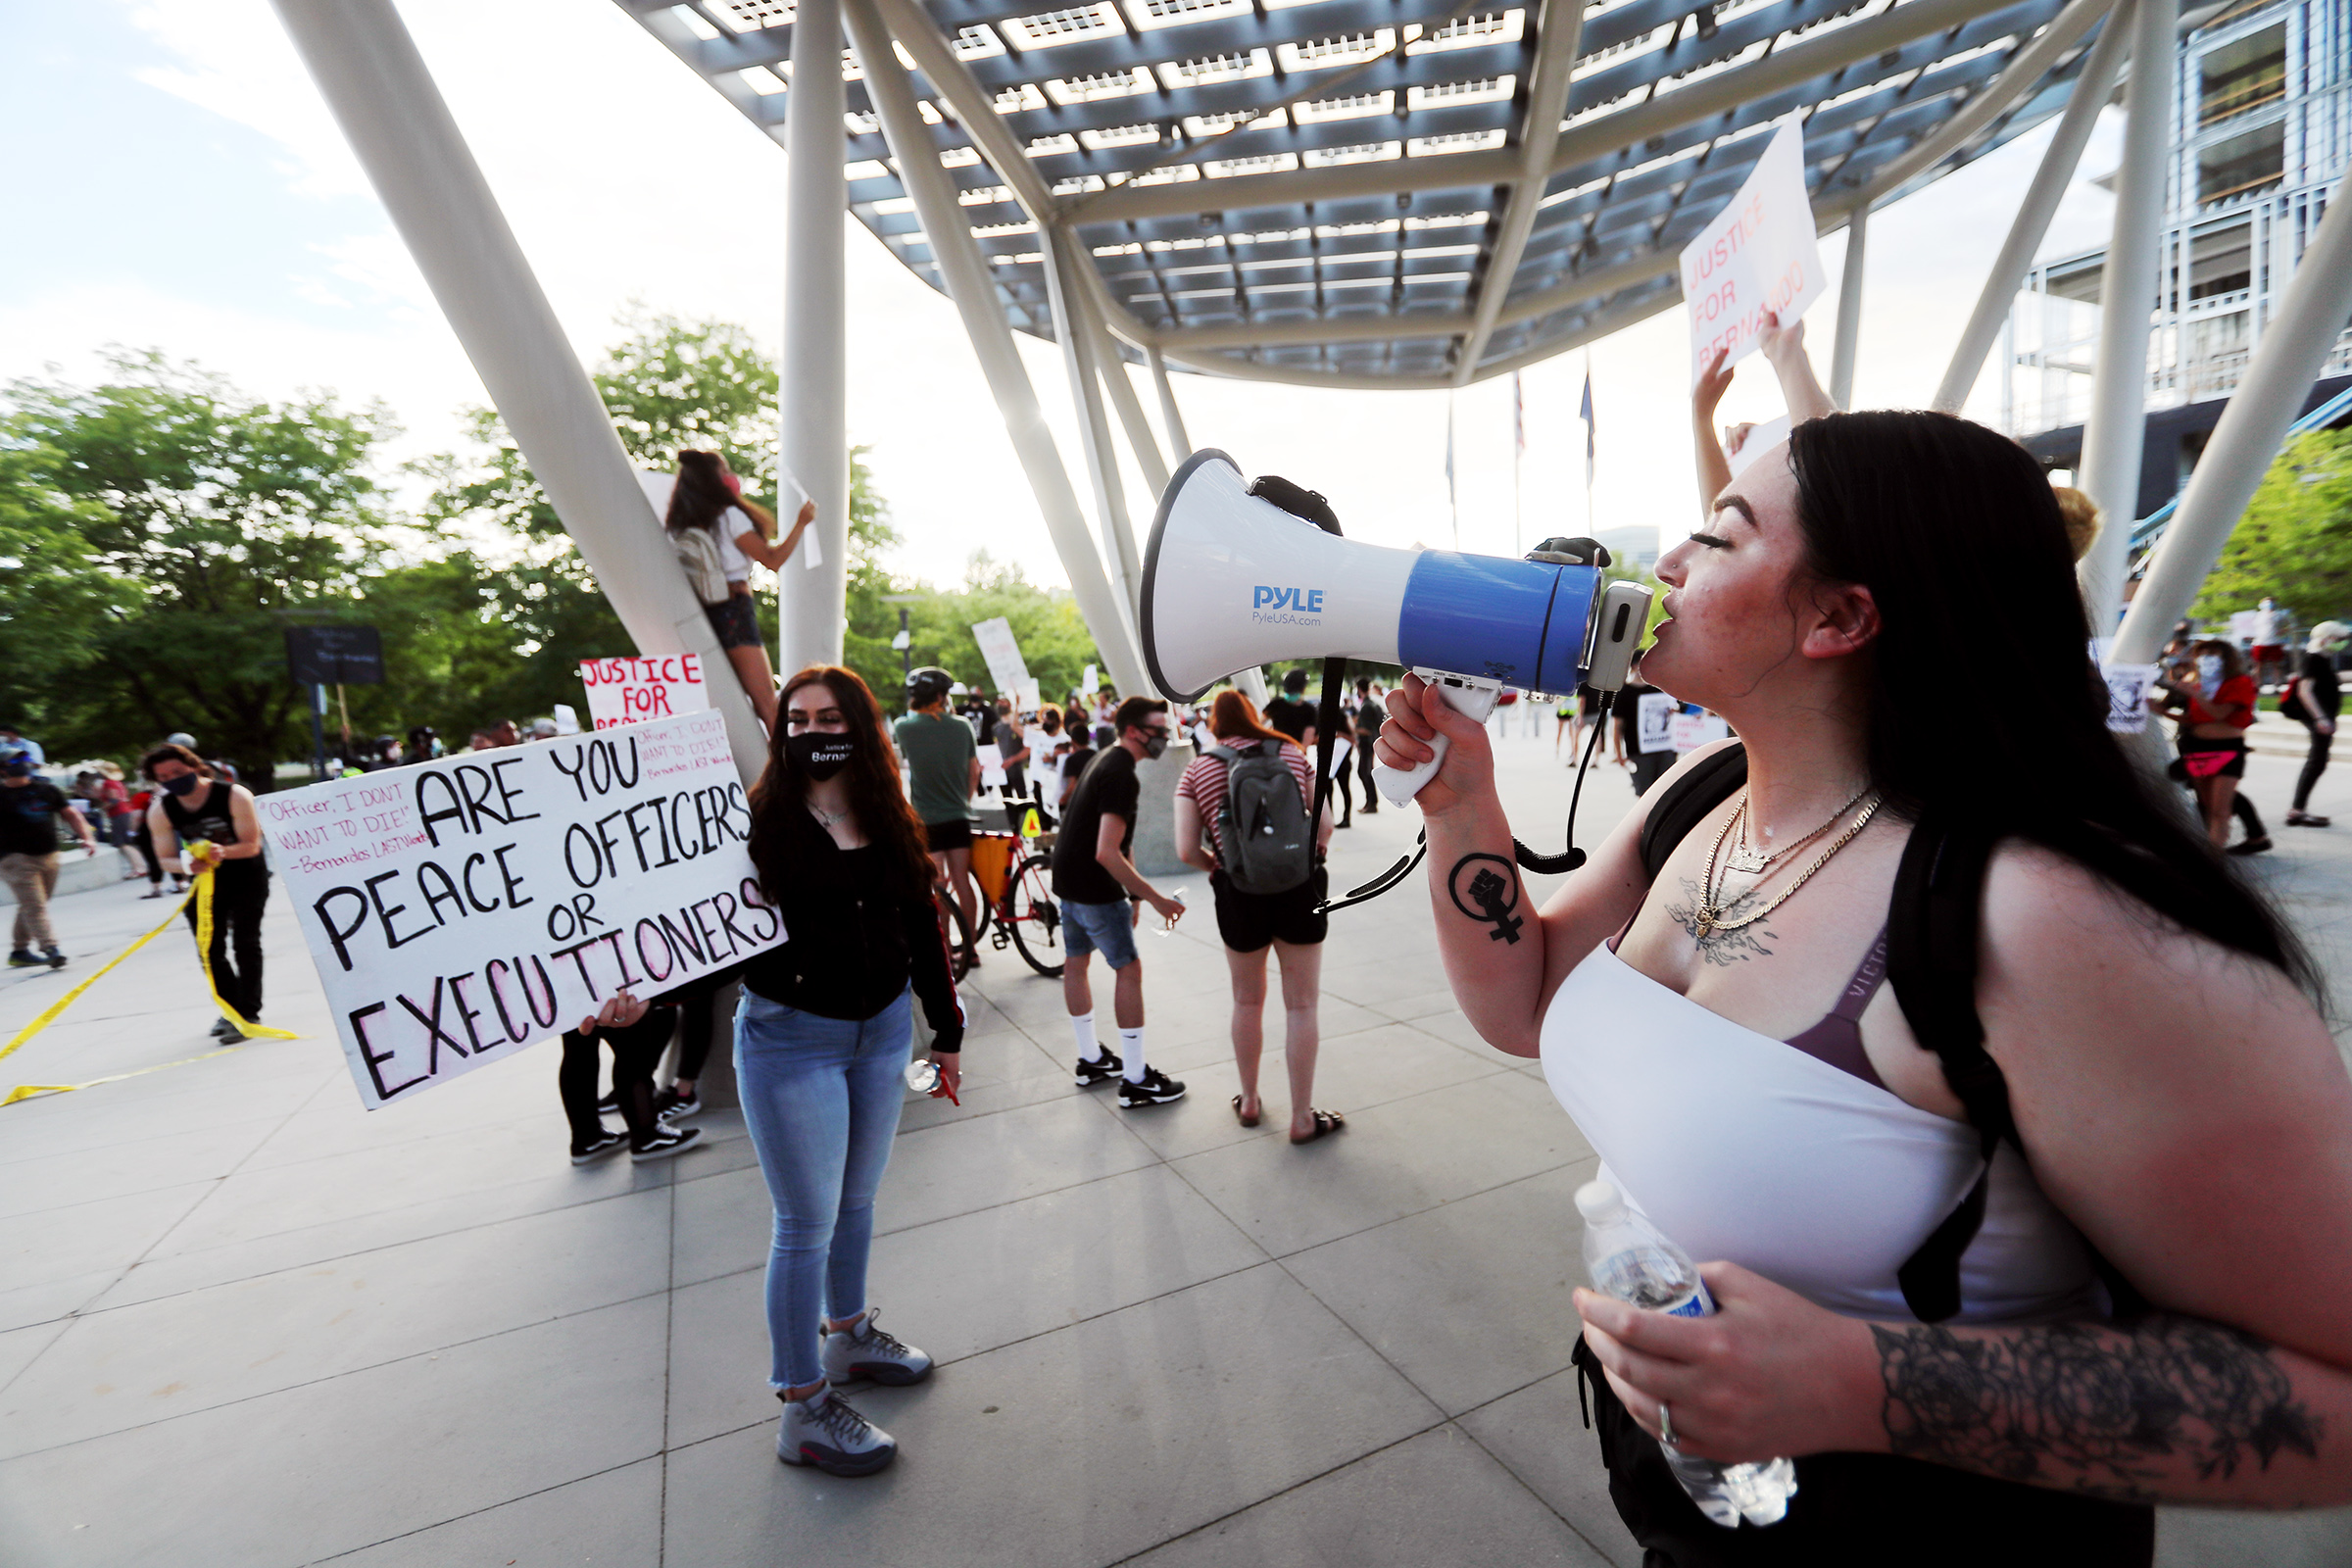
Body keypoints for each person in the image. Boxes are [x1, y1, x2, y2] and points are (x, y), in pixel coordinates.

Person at [1375, 410, 2352, 1561]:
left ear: (1842, 616)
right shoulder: (1706, 789)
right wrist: (1458, 804)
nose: (1669, 565)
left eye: (1721, 536)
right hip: (1693, 1491)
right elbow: (1526, 1002)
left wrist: (1861, 1381)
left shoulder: (2047, 919)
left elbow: (2330, 1394)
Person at [739, 665, 963, 1477]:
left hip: (880, 1038)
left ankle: (849, 1339)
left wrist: (947, 1028)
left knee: (858, 1202)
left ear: (860, 726)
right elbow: (696, 934)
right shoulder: (758, 820)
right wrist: (635, 998)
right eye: (796, 719)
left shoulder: (885, 811)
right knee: (805, 1224)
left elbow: (920, 923)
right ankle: (802, 1408)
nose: (810, 730)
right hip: (789, 1040)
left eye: (828, 716)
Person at [1174, 690, 1340, 1142]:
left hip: (1239, 891)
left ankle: (1248, 1101)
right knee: (1302, 1004)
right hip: (1299, 887)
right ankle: (1303, 1117)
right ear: (1254, 716)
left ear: (1214, 723)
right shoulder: (1291, 751)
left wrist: (1220, 866)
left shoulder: (1199, 768)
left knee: (1247, 1001)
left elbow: (1186, 848)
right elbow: (1324, 824)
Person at [1050, 697, 1187, 1107]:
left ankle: (1091, 1059)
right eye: (1158, 729)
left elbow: (1115, 844)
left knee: (1076, 963)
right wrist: (1158, 899)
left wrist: (1134, 893)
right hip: (1094, 888)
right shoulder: (1122, 774)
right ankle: (1135, 1078)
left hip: (1068, 883)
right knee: (1128, 969)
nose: (1164, 736)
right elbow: (1108, 852)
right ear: (1132, 731)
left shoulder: (1104, 758)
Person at [662, 449, 814, 732]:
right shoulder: (730, 516)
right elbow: (773, 560)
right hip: (735, 609)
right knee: (767, 704)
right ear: (714, 479)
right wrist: (801, 523)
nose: (731, 477)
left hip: (701, 611)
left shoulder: (679, 524)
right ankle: (786, 770)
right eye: (725, 471)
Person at [142, 743, 270, 1040]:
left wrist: (220, 852)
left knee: (246, 943)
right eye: (163, 776)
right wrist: (188, 863)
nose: (172, 778)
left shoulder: (234, 795)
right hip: (203, 882)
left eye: (177, 771)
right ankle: (230, 1008)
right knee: (209, 948)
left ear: (194, 766)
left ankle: (248, 1012)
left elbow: (251, 845)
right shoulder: (161, 809)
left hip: (246, 875)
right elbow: (164, 858)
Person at [894, 666, 982, 957]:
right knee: (962, 882)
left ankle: (944, 951)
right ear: (942, 696)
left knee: (938, 886)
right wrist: (962, 801)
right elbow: (974, 772)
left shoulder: (904, 728)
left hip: (924, 820)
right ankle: (970, 950)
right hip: (958, 816)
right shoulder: (962, 726)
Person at [560, 989, 702, 1164]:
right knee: (632, 1042)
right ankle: (647, 1135)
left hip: (564, 979)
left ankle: (587, 1137)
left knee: (579, 1046)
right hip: (595, 975)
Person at [2155, 639, 2262, 852]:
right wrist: (2162, 711)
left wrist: (2195, 694)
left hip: (2228, 749)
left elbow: (2220, 713)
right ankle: (2213, 850)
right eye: (2202, 654)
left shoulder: (2239, 682)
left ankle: (2215, 859)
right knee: (2208, 807)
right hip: (2197, 748)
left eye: (2212, 653)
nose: (2206, 658)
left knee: (2221, 810)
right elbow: (2195, 719)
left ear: (2226, 657)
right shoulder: (2197, 682)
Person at [3, 755, 94, 969]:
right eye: (13, 763)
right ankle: (51, 948)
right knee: (35, 906)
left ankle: (19, 950)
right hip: (14, 858)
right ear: (3, 770)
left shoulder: (46, 789)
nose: (21, 766)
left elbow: (70, 814)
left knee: (35, 903)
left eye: (22, 761)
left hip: (49, 855)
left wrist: (87, 838)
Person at [2280, 621, 2347, 827]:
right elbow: (2304, 690)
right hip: (2319, 718)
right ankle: (2296, 811)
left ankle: (2297, 809)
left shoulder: (2322, 659)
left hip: (2323, 717)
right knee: (2316, 761)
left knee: (2318, 761)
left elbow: (2330, 680)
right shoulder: (2313, 659)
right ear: (2326, 638)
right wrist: (2320, 718)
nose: (2343, 643)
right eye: (2339, 639)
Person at [1262, 668, 1317, 748]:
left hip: (1275, 750)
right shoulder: (1309, 710)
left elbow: (1257, 723)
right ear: (1303, 688)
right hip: (1295, 753)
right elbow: (1307, 739)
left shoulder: (1275, 705)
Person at [1350, 677, 1382, 814]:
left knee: (1365, 772)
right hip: (1370, 743)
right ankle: (1371, 802)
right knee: (1364, 772)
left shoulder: (1367, 706)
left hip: (1367, 743)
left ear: (1359, 688)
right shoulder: (1370, 704)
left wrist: (1353, 728)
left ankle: (1371, 803)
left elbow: (1367, 729)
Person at [2249, 597, 2288, 691]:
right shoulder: (2257, 615)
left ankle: (2277, 684)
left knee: (2276, 664)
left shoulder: (2279, 615)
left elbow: (2288, 625)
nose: (2269, 604)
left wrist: (2283, 632)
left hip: (2274, 642)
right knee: (2258, 665)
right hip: (2260, 643)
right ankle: (2257, 684)